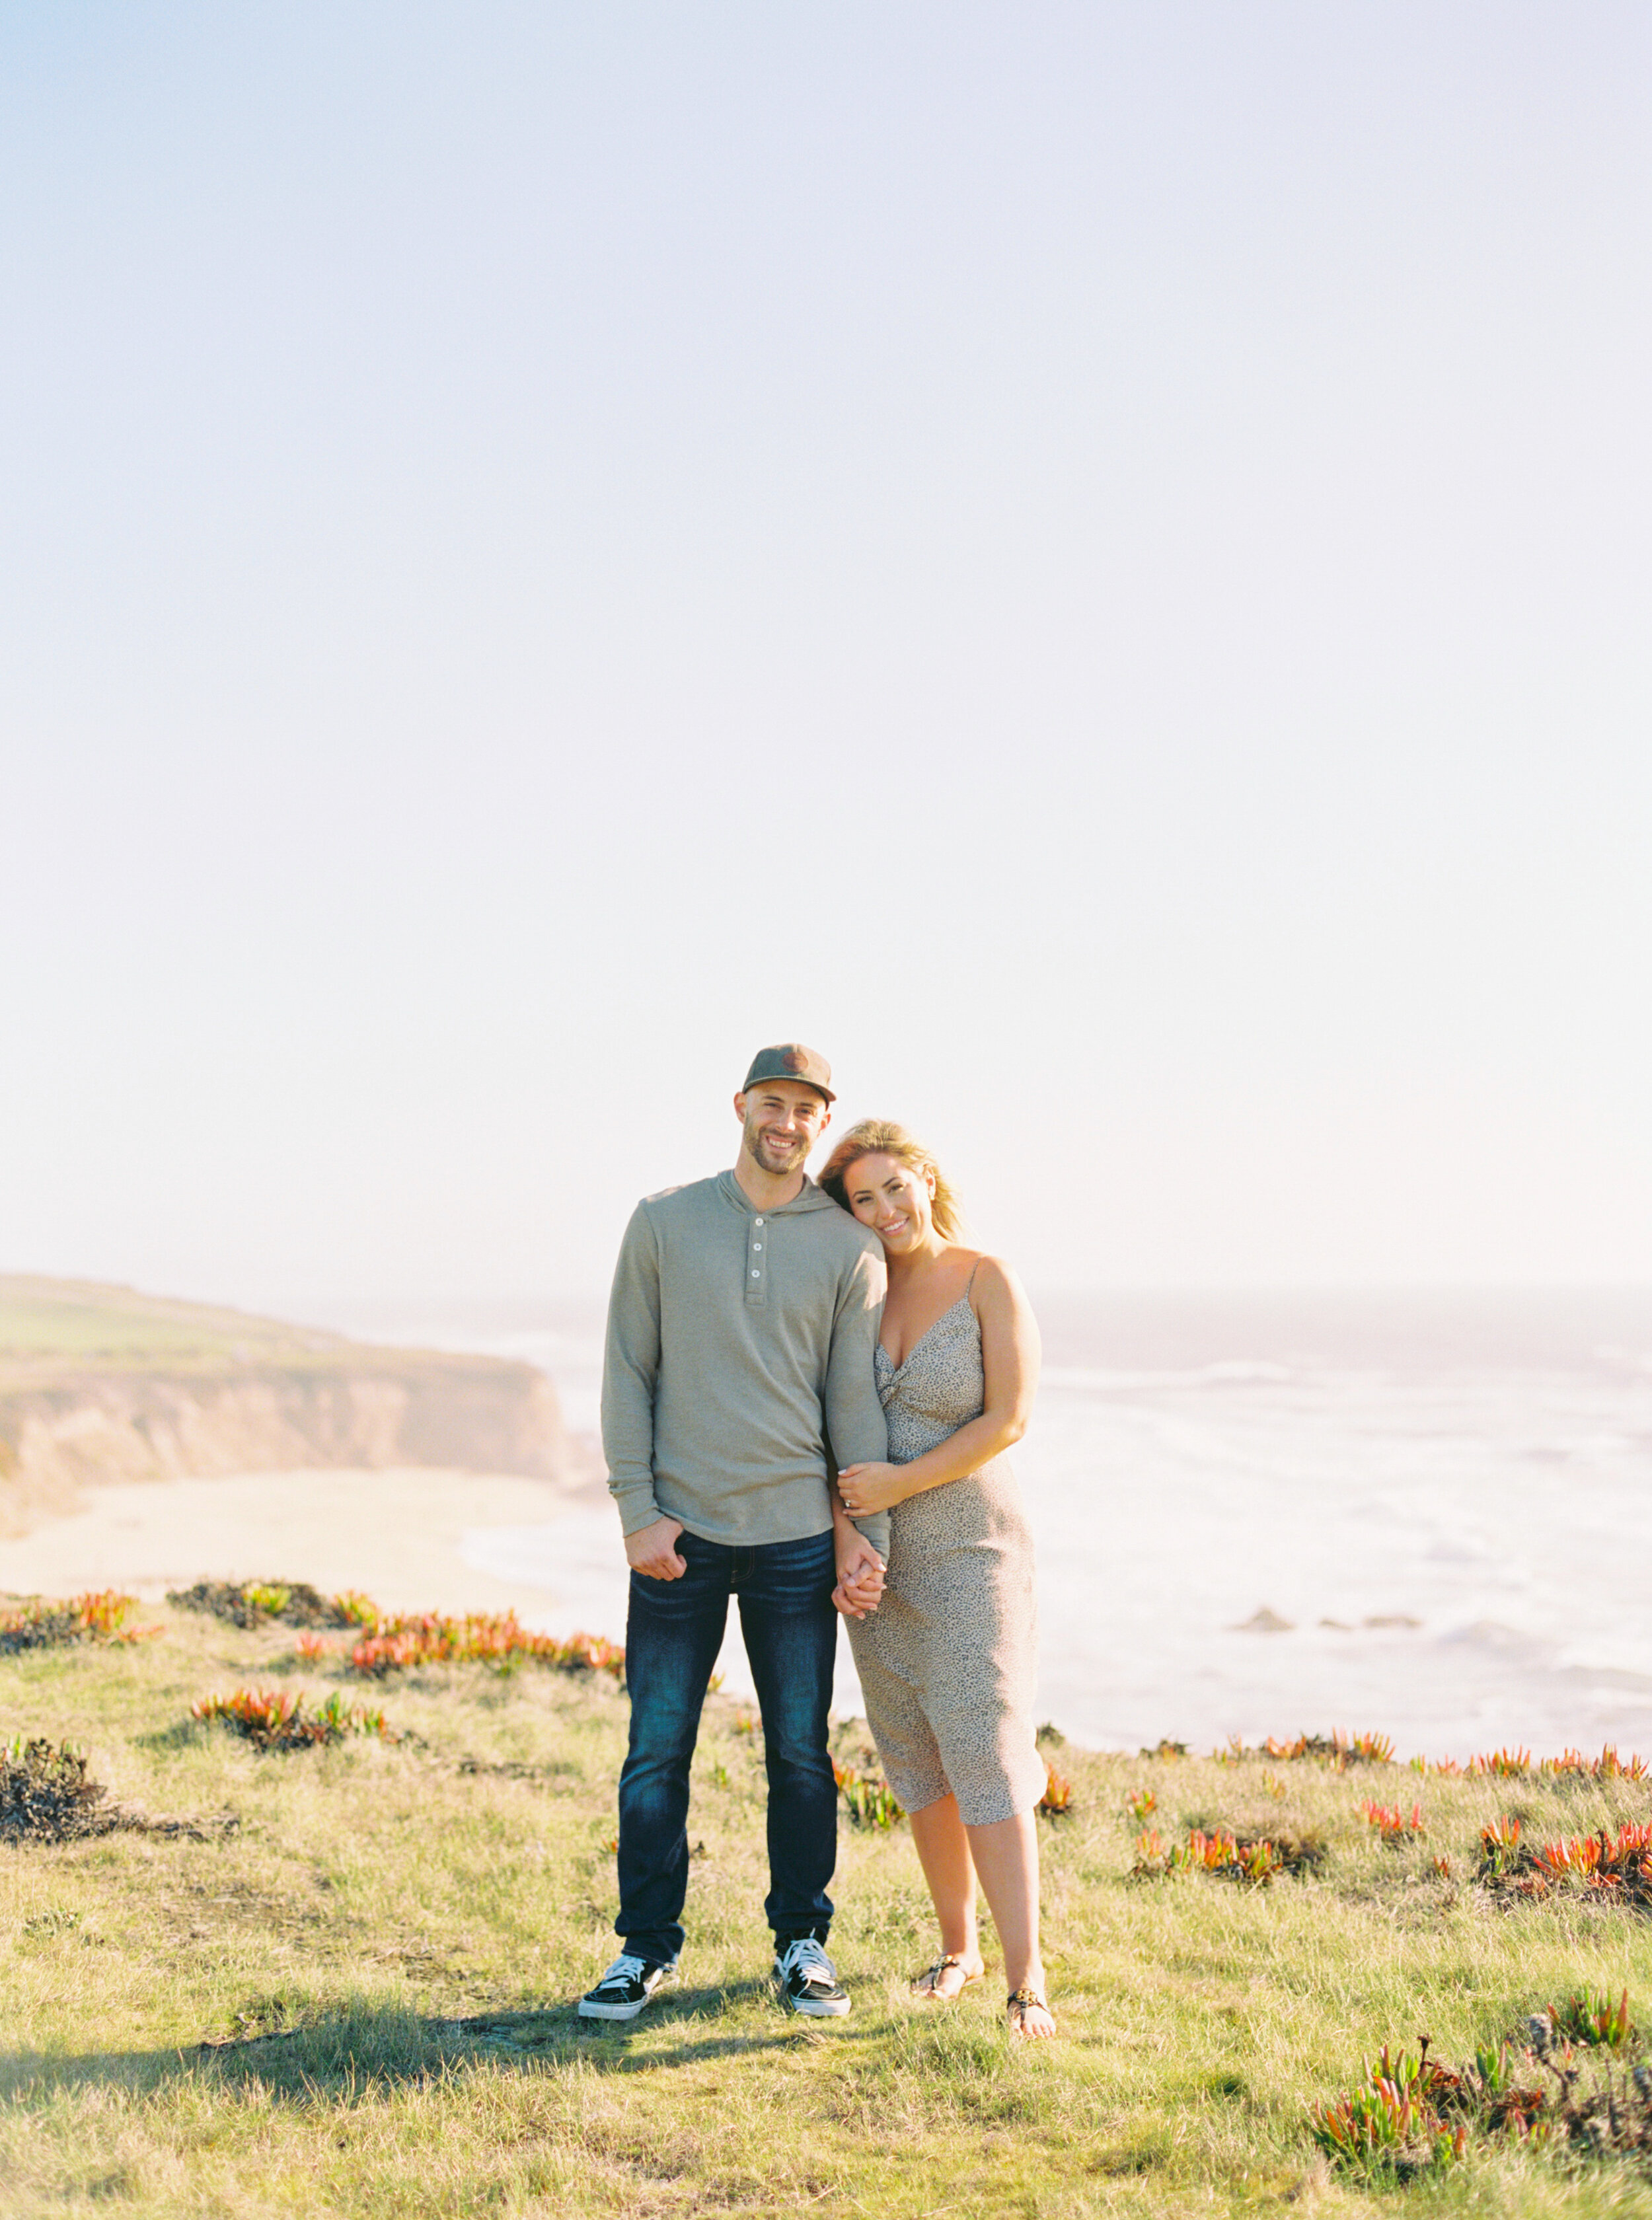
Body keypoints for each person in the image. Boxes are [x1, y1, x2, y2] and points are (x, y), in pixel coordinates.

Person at [580, 1044, 890, 2023]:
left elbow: (853, 1405)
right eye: (772, 1102)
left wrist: (859, 1535)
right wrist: (638, 1511)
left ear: (821, 1120)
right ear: (741, 1106)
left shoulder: (848, 1248)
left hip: (796, 1538)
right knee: (654, 1748)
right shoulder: (665, 1221)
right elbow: (628, 1371)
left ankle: (802, 1944)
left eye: (805, 1108)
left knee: (801, 1750)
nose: (786, 1122)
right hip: (681, 1536)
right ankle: (644, 1951)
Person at [817, 1120, 1055, 2040]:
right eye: (862, 1200)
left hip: (974, 1552)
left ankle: (1026, 1979)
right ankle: (957, 1951)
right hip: (877, 1564)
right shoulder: (855, 1295)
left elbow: (1010, 1419)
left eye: (893, 1188)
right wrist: (850, 1536)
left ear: (925, 1178)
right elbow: (829, 1433)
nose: (884, 1211)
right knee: (915, 1757)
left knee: (988, 1753)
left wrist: (901, 1483)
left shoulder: (987, 1277)